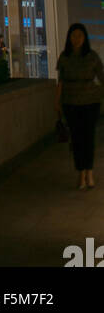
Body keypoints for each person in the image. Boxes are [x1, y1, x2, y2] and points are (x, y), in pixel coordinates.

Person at [55, 23, 104, 190]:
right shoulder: (64, 57)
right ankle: (81, 172)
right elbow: (61, 81)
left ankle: (88, 171)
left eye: (80, 36)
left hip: (91, 102)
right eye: (74, 36)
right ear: (69, 37)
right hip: (70, 102)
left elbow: (101, 77)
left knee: (88, 137)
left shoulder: (92, 56)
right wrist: (57, 101)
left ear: (85, 38)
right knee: (76, 139)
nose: (76, 39)